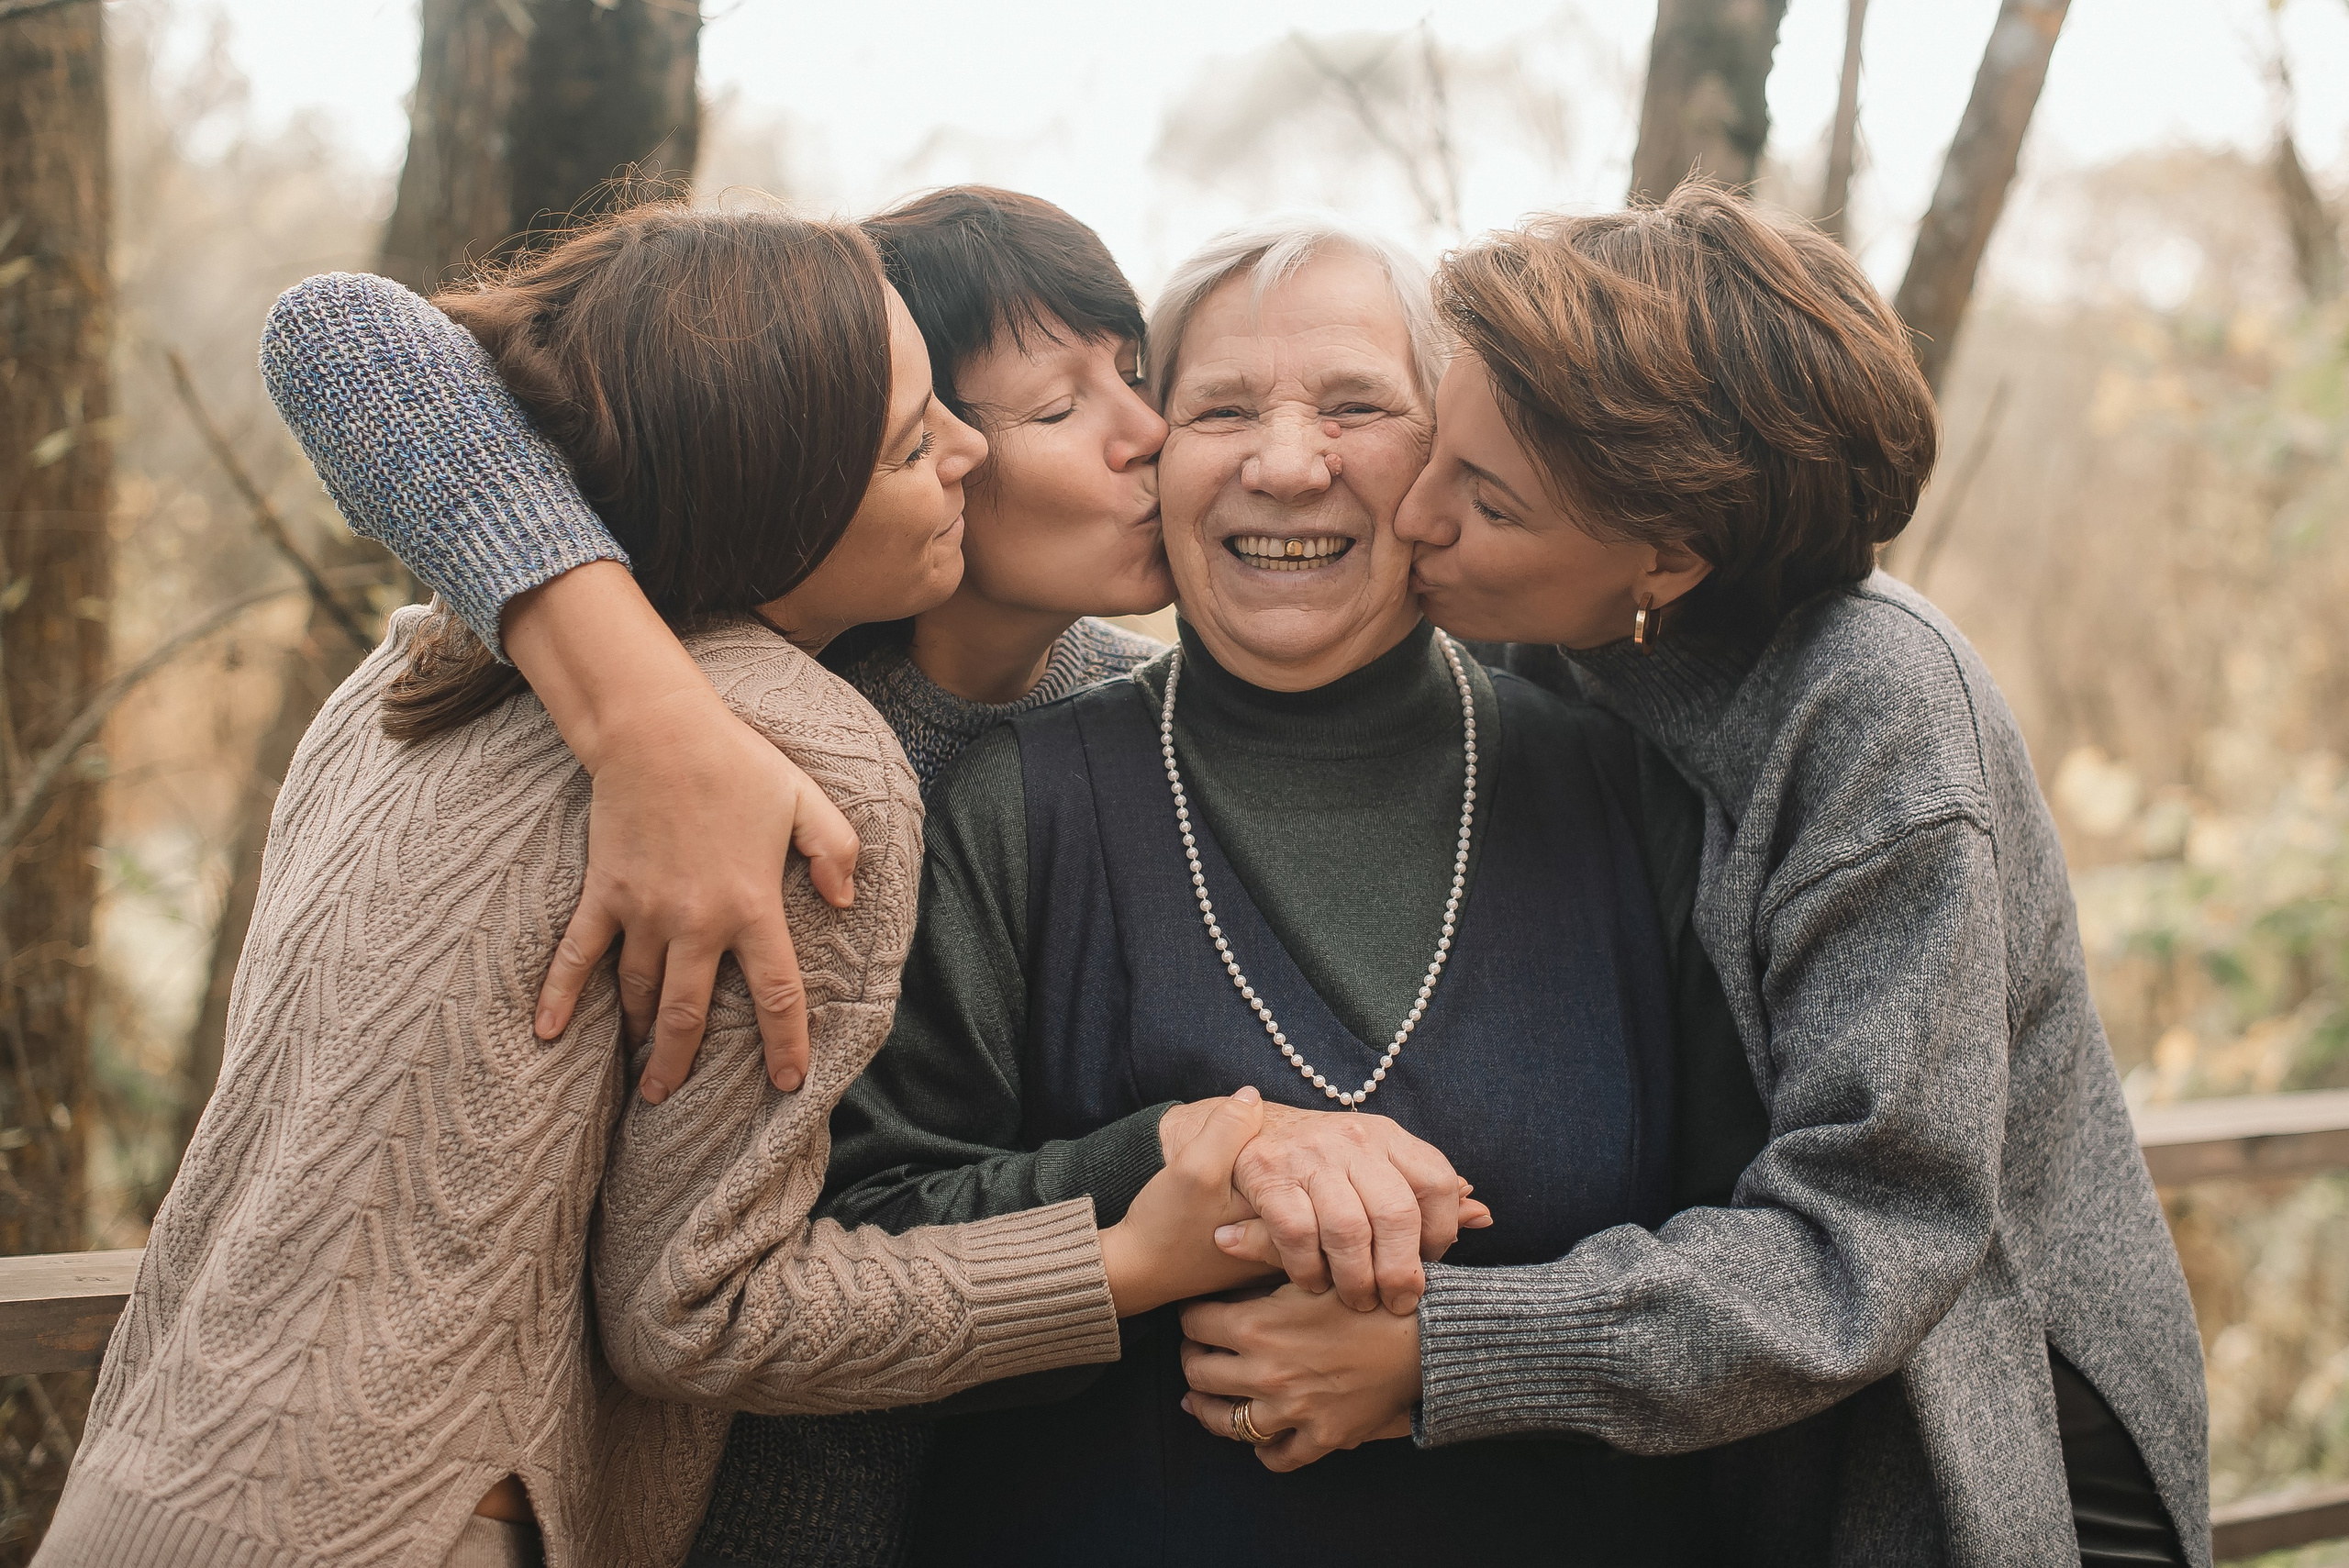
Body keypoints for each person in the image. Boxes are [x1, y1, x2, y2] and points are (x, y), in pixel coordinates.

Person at [252, 188, 1493, 1568]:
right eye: (1057, 405)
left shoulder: (1113, 709)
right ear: (908, 453)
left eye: (1133, 376)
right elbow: (341, 333)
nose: (1150, 436)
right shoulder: (737, 707)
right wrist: (643, 717)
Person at [35, 203, 1282, 1568]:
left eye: (1137, 371)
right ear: (805, 473)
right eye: (974, 423)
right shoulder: (788, 758)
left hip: (157, 1480)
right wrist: (1125, 1255)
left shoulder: (411, 670)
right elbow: (699, 1304)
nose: (1148, 434)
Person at [1175, 183, 2210, 1567]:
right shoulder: (1546, 626)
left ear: (1666, 557)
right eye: (1441, 452)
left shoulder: (1876, 725)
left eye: (1482, 500)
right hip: (1737, 1444)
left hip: (1986, 1452)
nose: (1414, 517)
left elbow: (1876, 1227)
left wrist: (1442, 1350)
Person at [815, 214, 1730, 1566]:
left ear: (1445, 455)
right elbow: (860, 1238)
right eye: (1222, 407)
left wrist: (1465, 1350)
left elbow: (1771, 1257)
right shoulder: (1013, 801)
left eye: (1357, 405)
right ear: (1158, 453)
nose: (1287, 465)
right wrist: (1165, 1162)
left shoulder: (1624, 788)